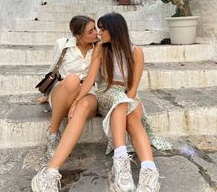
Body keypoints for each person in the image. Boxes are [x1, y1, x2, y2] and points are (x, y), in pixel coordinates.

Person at [69, 12, 164, 192]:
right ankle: (121, 162)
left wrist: (131, 102)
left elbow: (133, 89)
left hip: (126, 95)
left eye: (103, 29)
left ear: (115, 30)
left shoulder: (136, 52)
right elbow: (90, 80)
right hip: (106, 92)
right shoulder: (100, 49)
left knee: (133, 117)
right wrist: (76, 100)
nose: (99, 33)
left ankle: (149, 171)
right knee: (121, 102)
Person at [31, 15, 99, 192]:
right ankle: (53, 132)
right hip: (64, 91)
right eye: (90, 31)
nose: (95, 33)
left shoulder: (99, 47)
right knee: (72, 80)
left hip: (87, 93)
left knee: (82, 97)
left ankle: (51, 170)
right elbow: (52, 70)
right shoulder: (63, 44)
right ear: (78, 34)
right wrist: (47, 95)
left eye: (96, 29)